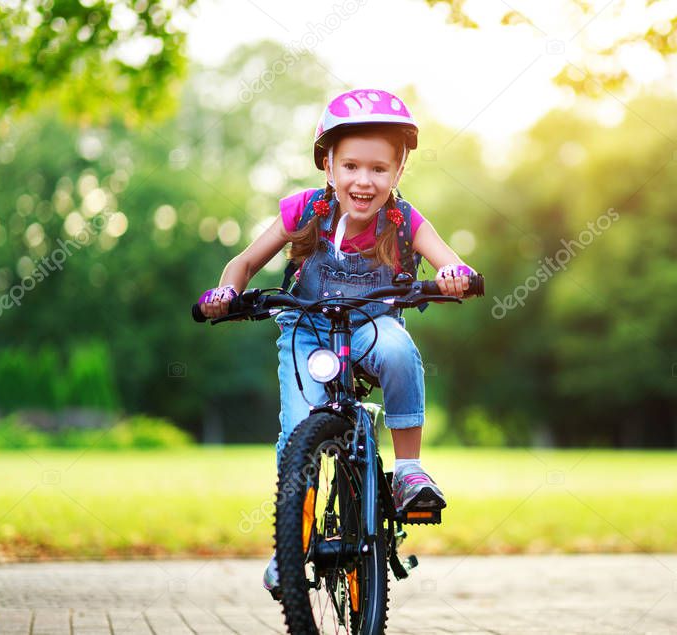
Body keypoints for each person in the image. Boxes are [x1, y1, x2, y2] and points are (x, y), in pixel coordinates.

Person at [196, 88, 476, 597]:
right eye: (350, 166)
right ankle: (291, 546)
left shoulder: (404, 221)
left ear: (398, 172)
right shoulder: (304, 210)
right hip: (306, 332)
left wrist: (453, 272)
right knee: (297, 434)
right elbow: (243, 263)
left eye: (378, 169)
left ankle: (408, 472)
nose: (363, 181)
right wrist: (227, 292)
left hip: (372, 323)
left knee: (397, 351)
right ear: (328, 166)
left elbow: (445, 258)